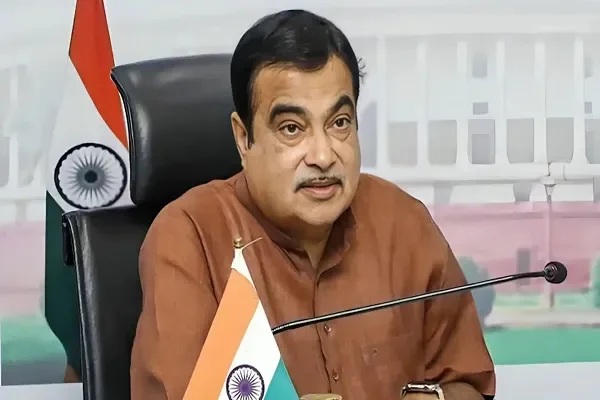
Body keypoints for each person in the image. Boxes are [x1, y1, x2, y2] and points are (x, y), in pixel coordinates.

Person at [130, 9, 496, 400]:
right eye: (292, 128)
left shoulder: (403, 221)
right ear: (243, 137)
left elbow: (469, 384)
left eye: (339, 123)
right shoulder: (190, 237)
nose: (323, 156)